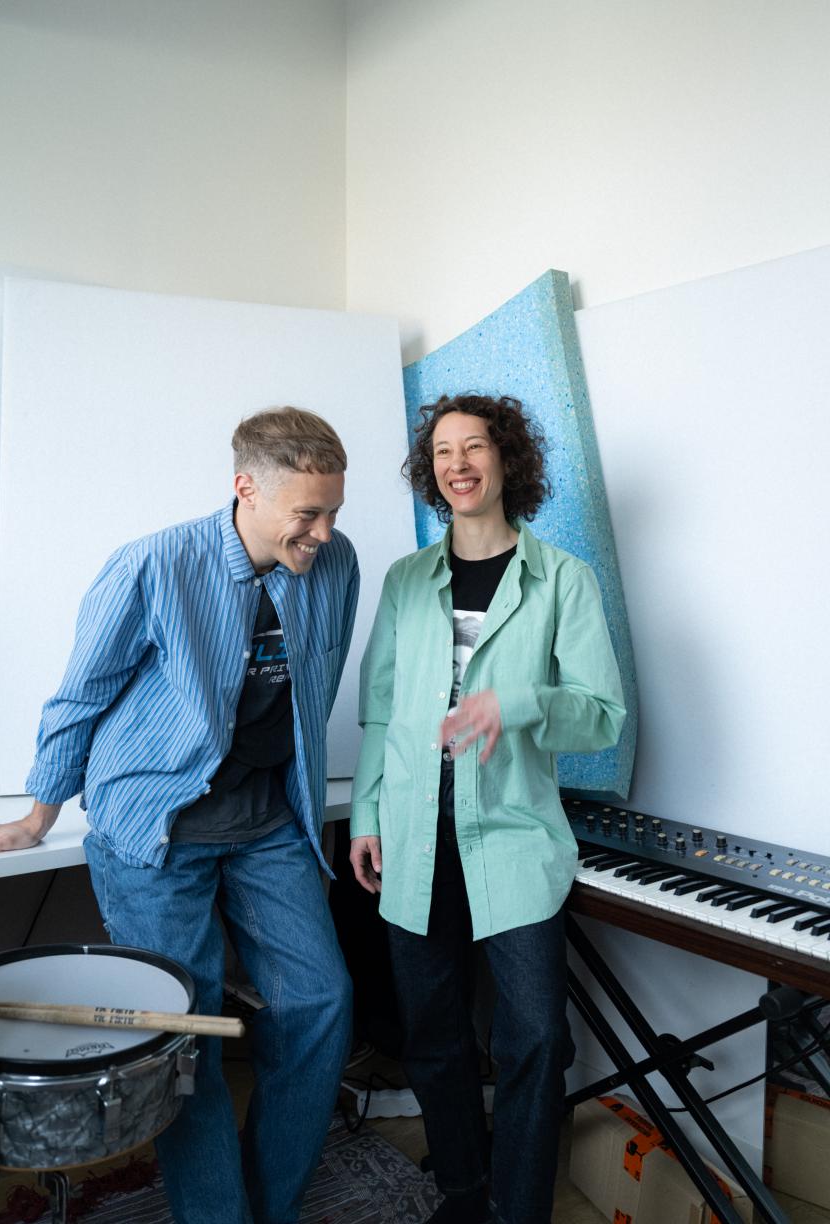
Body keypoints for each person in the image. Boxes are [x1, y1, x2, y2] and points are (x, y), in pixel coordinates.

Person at [0, 406, 359, 1224]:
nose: (324, 532)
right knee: (184, 1038)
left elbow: (316, 682)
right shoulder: (153, 564)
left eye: (334, 511)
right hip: (155, 824)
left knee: (321, 1001)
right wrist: (36, 818)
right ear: (245, 489)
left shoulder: (335, 562)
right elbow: (81, 695)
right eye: (308, 513)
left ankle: (272, 1206)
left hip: (267, 819)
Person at [349, 393, 625, 1224]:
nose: (458, 464)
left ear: (507, 459)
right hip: (412, 831)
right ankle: (464, 1195)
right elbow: (380, 710)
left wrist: (521, 701)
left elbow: (602, 716)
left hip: (511, 833)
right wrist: (365, 816)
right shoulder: (406, 581)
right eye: (443, 452)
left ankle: (519, 1207)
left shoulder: (564, 579)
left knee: (535, 1037)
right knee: (434, 1035)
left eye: (474, 447)